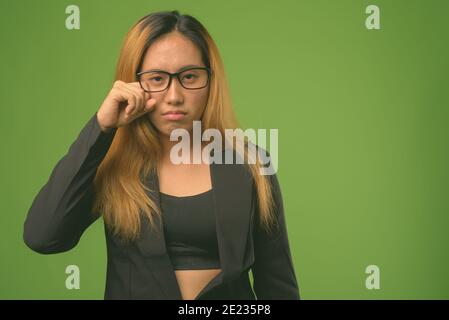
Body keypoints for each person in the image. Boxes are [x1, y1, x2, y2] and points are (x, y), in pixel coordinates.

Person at [23, 10, 300, 300]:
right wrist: (101, 127)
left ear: (210, 81)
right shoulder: (114, 164)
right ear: (132, 83)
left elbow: (278, 286)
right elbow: (43, 236)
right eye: (157, 79)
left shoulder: (251, 164)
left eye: (189, 76)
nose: (174, 96)